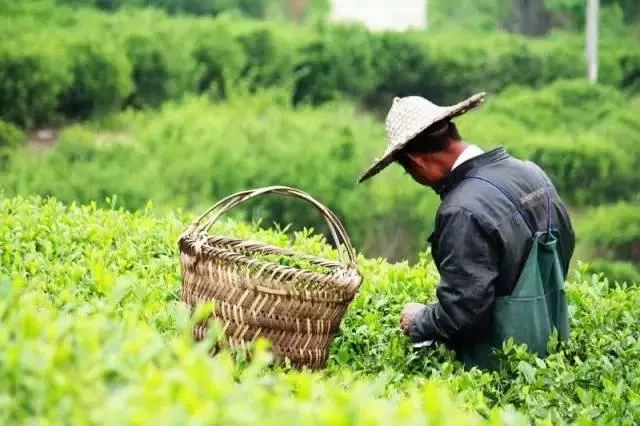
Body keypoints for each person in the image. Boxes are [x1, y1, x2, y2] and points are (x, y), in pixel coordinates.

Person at [356, 93, 576, 370]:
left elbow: (463, 311)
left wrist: (420, 319)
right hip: (554, 347)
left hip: (502, 368)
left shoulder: (461, 209)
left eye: (409, 172)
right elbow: (564, 243)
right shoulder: (531, 172)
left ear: (417, 161)